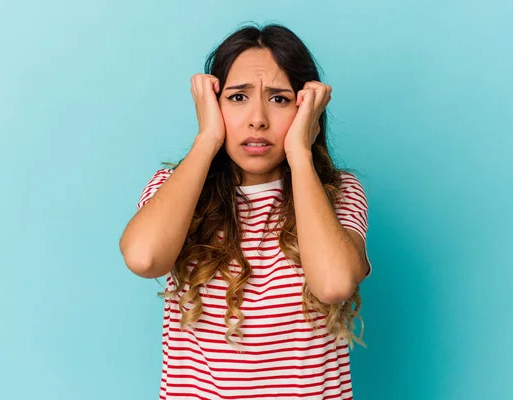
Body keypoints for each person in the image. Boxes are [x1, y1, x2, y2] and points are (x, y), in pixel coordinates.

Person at [120, 23, 372, 400]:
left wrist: (301, 154)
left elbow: (334, 284)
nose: (257, 119)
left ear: (307, 111)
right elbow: (144, 258)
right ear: (214, 106)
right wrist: (207, 139)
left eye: (280, 99)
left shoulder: (340, 193)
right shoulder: (173, 186)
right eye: (238, 98)